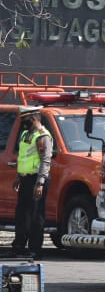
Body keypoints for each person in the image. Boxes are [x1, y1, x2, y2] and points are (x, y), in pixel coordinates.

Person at [10, 106, 53, 259]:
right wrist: (18, 176)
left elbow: (45, 161)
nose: (23, 123)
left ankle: (35, 249)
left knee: (36, 215)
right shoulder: (25, 134)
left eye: (25, 120)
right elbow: (23, 157)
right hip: (25, 178)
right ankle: (19, 246)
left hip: (37, 179)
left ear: (34, 118)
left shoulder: (43, 136)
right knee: (22, 213)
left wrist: (40, 183)